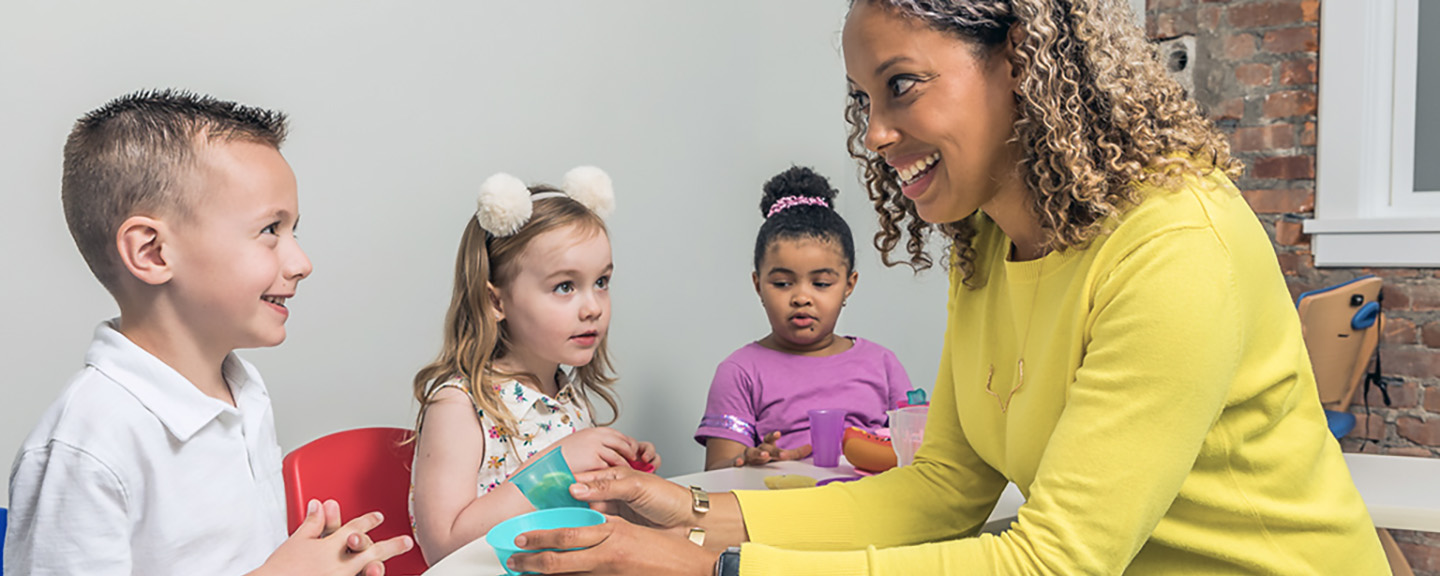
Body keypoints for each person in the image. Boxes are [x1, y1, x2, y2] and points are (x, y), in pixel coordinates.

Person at [501, 0, 1392, 574]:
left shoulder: (1172, 242)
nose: (878, 134)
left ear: (1019, 60)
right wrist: (694, 510)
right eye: (863, 102)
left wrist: (711, 565)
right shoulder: (987, 245)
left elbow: (1053, 563)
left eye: (901, 87)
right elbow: (941, 492)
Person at [4, 90, 412, 576]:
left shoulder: (244, 391)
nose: (301, 263)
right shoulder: (88, 445)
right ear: (152, 252)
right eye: (269, 230)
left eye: (294, 231)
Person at [408, 168, 660, 564]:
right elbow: (443, 546)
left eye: (602, 282)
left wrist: (621, 480)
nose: (593, 306)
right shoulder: (459, 406)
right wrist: (557, 466)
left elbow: (580, 519)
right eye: (565, 286)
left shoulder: (566, 395)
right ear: (496, 302)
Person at [696, 166, 912, 470]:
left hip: (872, 511)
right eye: (783, 283)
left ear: (849, 285)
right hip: (781, 510)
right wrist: (746, 462)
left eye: (821, 283)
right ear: (758, 285)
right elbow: (717, 472)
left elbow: (914, 453)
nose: (801, 297)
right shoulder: (739, 372)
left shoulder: (883, 365)